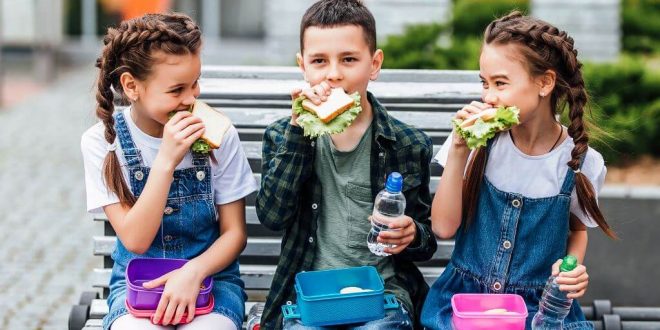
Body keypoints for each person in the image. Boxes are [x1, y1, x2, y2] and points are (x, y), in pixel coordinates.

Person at [420, 11, 617, 330]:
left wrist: (571, 271)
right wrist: (458, 149)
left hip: (537, 308)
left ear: (545, 82)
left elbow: (577, 231)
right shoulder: (476, 144)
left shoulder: (582, 162)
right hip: (465, 303)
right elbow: (443, 228)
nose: (488, 96)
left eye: (500, 83)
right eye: (484, 83)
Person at [255, 0, 438, 329]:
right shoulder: (283, 135)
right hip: (309, 294)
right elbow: (272, 216)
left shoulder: (409, 144)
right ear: (303, 66)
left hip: (383, 293)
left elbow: (425, 240)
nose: (334, 74)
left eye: (349, 59)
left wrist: (412, 234)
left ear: (374, 64)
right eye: (319, 61)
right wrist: (299, 132)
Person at [80, 13, 258, 330]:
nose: (191, 98)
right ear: (131, 86)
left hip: (210, 279)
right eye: (177, 90)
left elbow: (235, 234)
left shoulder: (220, 134)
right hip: (138, 284)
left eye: (195, 83)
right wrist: (166, 161)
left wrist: (193, 272)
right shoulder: (103, 143)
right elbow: (135, 239)